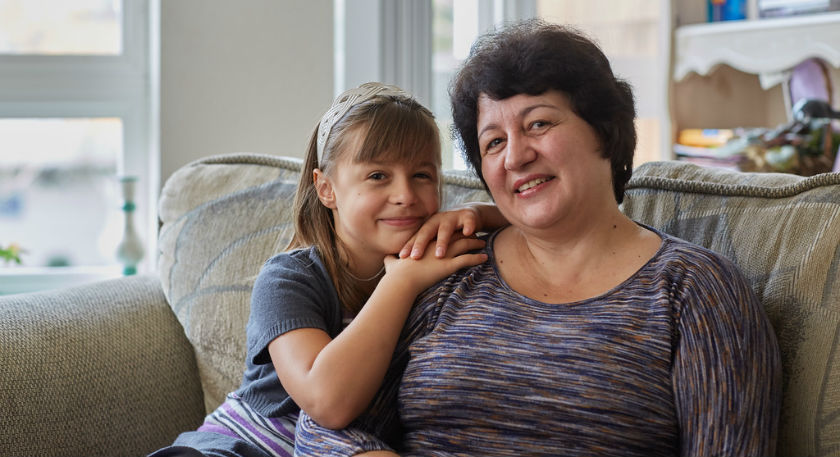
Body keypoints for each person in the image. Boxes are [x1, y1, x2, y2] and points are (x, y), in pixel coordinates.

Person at [294, 20, 783, 457]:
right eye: (494, 142)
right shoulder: (449, 270)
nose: (515, 157)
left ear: (604, 132)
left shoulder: (694, 291)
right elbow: (321, 430)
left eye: (539, 123)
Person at [149, 82, 507, 457]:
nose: (405, 195)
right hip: (235, 447)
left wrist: (479, 212)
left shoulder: (436, 261)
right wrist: (400, 284)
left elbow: (546, 231)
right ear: (326, 189)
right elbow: (327, 401)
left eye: (422, 175)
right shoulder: (288, 279)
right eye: (377, 176)